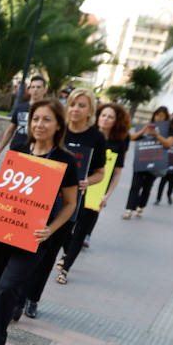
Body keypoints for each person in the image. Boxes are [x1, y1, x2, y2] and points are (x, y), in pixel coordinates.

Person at [0, 97, 78, 345]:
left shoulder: (65, 160)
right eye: (35, 119)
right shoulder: (20, 149)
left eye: (46, 119)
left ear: (58, 125)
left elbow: (71, 203)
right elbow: (5, 189)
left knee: (9, 287)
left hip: (35, 237)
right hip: (4, 228)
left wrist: (51, 229)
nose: (39, 124)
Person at [21, 87, 104, 317]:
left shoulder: (96, 137)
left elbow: (100, 172)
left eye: (81, 105)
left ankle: (33, 299)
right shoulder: (58, 129)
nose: (75, 109)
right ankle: (17, 295)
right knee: (28, 249)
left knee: (48, 255)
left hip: (66, 205)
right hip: (37, 200)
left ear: (90, 111)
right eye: (73, 104)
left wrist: (88, 181)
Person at [59, 101, 129, 282]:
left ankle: (65, 269)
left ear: (116, 121)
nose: (106, 119)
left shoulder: (118, 143)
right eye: (104, 115)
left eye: (110, 117)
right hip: (76, 187)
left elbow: (117, 172)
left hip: (97, 190)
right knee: (66, 227)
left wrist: (107, 195)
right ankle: (67, 252)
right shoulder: (86, 136)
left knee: (81, 230)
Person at [123, 105, 173, 218]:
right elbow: (131, 138)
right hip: (141, 160)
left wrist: (156, 135)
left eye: (161, 116)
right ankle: (129, 209)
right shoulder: (146, 126)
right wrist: (143, 131)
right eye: (157, 115)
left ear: (166, 118)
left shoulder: (169, 130)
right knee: (135, 185)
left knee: (147, 186)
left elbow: (169, 144)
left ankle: (141, 206)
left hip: (156, 162)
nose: (158, 118)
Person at [0, 73, 47, 158]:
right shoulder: (20, 108)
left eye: (38, 87)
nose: (35, 90)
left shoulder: (48, 111)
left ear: (45, 90)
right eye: (33, 87)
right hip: (16, 150)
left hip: (35, 154)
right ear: (29, 89)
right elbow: (10, 130)